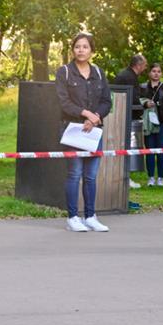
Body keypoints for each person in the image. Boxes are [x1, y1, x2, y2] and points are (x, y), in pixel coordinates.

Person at [55, 32, 112, 234]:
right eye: (77, 46)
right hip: (73, 130)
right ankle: (72, 217)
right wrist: (85, 114)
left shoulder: (98, 72)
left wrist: (95, 117)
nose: (81, 50)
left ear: (92, 50)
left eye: (85, 46)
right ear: (73, 50)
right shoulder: (64, 72)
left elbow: (107, 101)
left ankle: (90, 216)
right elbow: (63, 102)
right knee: (75, 174)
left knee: (91, 176)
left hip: (94, 130)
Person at [113, 54, 147, 190]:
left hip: (121, 116)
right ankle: (125, 177)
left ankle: (124, 176)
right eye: (144, 65)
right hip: (125, 117)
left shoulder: (125, 75)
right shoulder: (129, 78)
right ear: (138, 65)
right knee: (125, 146)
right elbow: (132, 98)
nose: (145, 68)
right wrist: (140, 109)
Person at [140, 64, 163, 186]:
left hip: (162, 123)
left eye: (159, 71)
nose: (156, 73)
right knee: (149, 150)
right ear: (149, 73)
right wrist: (145, 105)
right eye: (153, 71)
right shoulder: (143, 87)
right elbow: (137, 103)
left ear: (161, 74)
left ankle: (160, 178)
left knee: (161, 150)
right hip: (148, 123)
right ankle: (150, 177)